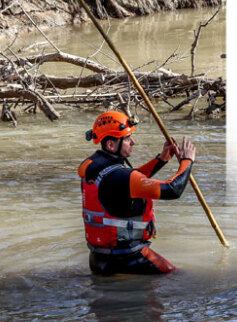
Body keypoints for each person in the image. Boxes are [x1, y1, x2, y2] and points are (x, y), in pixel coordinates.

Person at [78, 110, 197, 276]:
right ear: (111, 145)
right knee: (177, 276)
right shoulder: (122, 177)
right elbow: (172, 189)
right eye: (127, 138)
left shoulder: (92, 166)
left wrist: (161, 160)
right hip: (130, 258)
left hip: (98, 260)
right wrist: (187, 161)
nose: (133, 142)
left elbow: (130, 182)